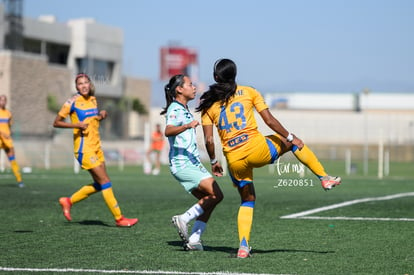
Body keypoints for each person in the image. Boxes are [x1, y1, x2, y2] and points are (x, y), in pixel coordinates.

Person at [196, 58, 341, 258]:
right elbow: (270, 121)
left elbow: (209, 140)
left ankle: (243, 246)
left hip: (234, 160)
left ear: (215, 77)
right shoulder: (249, 91)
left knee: (247, 199)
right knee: (291, 143)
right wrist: (291, 137)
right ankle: (324, 178)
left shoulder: (208, 102)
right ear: (235, 75)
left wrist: (213, 161)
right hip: (258, 150)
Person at [53, 73, 138, 227]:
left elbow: (92, 120)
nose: (84, 86)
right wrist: (76, 125)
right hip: (84, 149)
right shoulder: (72, 102)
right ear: (76, 86)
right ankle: (119, 219)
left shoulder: (93, 99)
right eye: (80, 83)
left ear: (90, 84)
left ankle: (68, 201)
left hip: (96, 147)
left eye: (86, 82)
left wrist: (100, 116)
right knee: (105, 181)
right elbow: (56, 122)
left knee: (100, 184)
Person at [161, 74, 223, 251]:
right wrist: (187, 126)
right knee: (217, 195)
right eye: (190, 84)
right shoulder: (175, 108)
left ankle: (194, 239)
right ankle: (184, 219)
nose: (194, 87)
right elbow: (168, 130)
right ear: (179, 89)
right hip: (182, 163)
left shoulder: (184, 108)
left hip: (190, 162)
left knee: (209, 201)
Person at [0, 95, 24, 188]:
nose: (3, 102)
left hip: (7, 139)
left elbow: (9, 126)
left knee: (12, 159)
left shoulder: (8, 113)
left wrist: (9, 134)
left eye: (4, 100)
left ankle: (19, 180)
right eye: (1, 100)